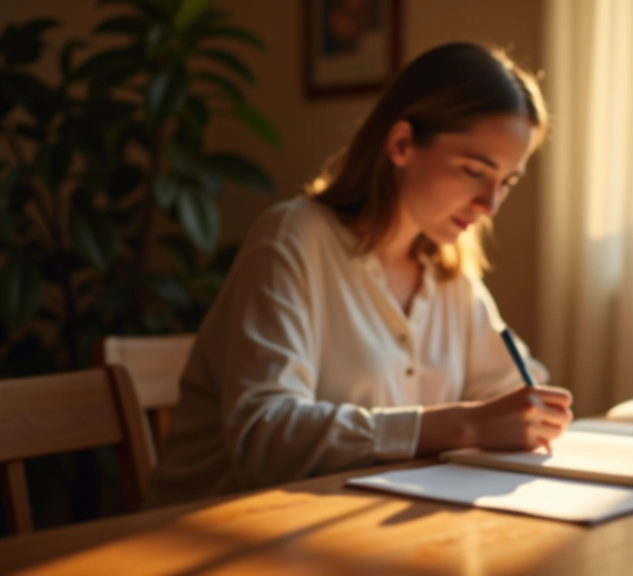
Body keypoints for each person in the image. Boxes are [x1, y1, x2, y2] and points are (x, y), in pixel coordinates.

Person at [144, 42, 573, 508]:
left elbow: (512, 396)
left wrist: (527, 418)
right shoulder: (294, 238)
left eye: (507, 182)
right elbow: (264, 438)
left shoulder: (450, 274)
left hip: (349, 531)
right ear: (402, 145)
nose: (490, 205)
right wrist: (465, 425)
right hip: (211, 536)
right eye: (474, 171)